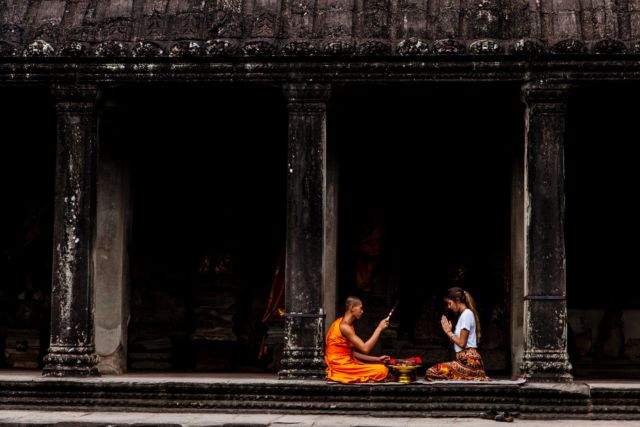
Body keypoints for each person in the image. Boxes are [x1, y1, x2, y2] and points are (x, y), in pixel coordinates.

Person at [425, 287, 490, 381]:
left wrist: (448, 332)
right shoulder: (465, 315)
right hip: (466, 362)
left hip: (469, 363)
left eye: (449, 303)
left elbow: (462, 343)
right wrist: (450, 333)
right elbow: (460, 342)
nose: (449, 306)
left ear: (457, 300)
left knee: (431, 372)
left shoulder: (467, 314)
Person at [325, 296, 391, 383]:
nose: (362, 311)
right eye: (361, 308)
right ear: (352, 308)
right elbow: (365, 349)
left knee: (380, 367)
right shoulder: (344, 326)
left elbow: (350, 352)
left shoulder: (347, 324)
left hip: (346, 362)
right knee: (382, 370)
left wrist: (377, 359)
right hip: (339, 365)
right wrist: (379, 328)